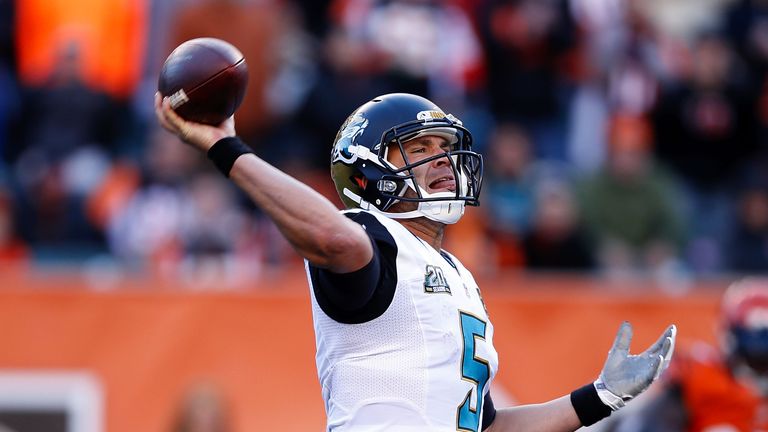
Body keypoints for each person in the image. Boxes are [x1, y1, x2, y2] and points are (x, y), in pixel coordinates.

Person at [155, 91, 676, 431]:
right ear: (369, 167)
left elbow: (487, 425)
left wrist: (599, 397)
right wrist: (226, 148)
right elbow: (331, 237)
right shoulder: (368, 235)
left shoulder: (458, 275)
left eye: (443, 147)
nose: (442, 159)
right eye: (420, 147)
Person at [607, 278, 768, 432]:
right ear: (730, 339)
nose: (762, 361)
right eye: (757, 356)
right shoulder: (697, 377)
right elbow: (639, 425)